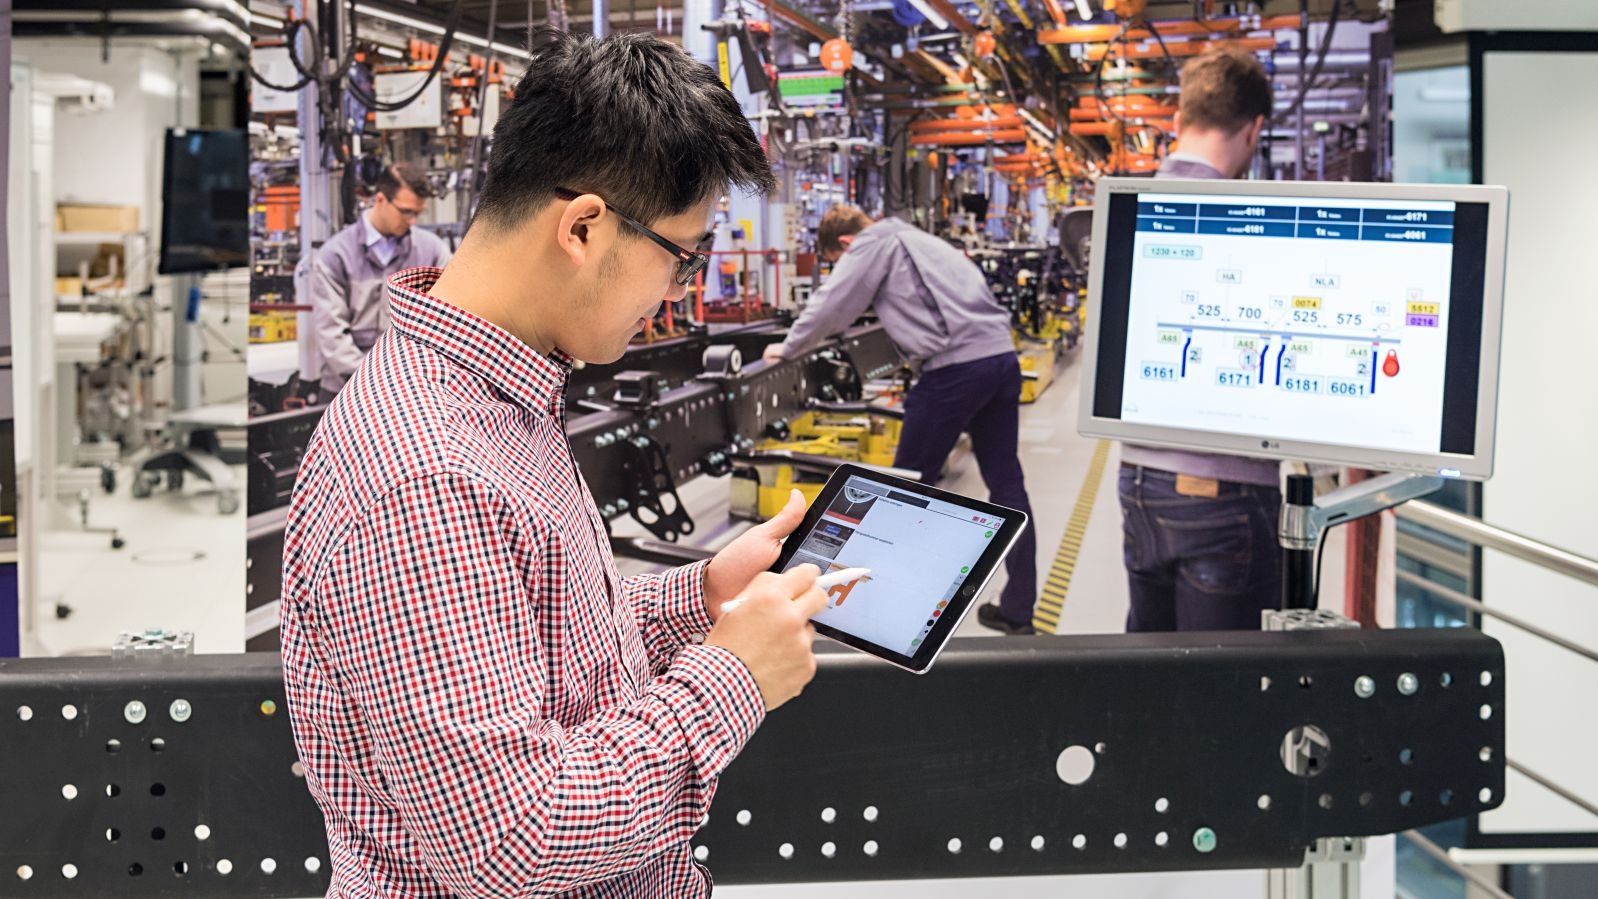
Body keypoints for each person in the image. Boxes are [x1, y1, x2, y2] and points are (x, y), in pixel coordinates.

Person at [281, 32, 830, 898]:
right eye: (680, 259)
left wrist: (703, 598)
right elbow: (515, 843)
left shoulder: (502, 397)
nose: (678, 295)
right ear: (582, 227)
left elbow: (537, 646)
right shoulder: (426, 475)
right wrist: (733, 675)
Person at [762, 206, 1039, 636]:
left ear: (844, 244)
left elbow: (834, 304)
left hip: (953, 371)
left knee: (901, 492)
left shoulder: (872, 244)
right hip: (1001, 360)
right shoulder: (921, 239)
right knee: (1007, 483)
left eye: (839, 261)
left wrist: (788, 347)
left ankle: (879, 616)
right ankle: (1019, 610)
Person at [1118, 46, 1283, 632]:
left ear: (1180, 119)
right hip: (1228, 488)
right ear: (1255, 127)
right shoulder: (1259, 217)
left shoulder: (1123, 211)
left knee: (1152, 671)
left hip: (1137, 481)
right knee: (1224, 687)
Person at [309, 161, 452, 397]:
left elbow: (445, 320)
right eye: (406, 212)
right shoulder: (335, 255)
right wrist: (377, 384)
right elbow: (332, 335)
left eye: (418, 213)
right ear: (380, 200)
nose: (413, 221)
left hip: (413, 390)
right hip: (344, 391)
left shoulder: (433, 251)